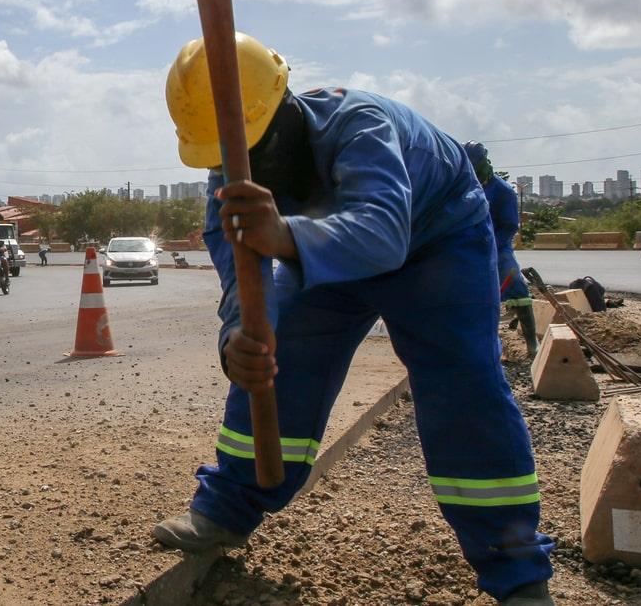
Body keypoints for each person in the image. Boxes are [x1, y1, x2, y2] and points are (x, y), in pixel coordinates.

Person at [152, 34, 555, 606]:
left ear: (285, 108)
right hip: (322, 247)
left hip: (435, 241)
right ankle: (224, 512)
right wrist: (241, 328)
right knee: (279, 354)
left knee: (463, 384)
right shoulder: (230, 160)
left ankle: (518, 573)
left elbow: (382, 232)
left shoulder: (358, 124)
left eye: (252, 148)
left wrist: (285, 235)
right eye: (220, 158)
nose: (242, 166)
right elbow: (232, 250)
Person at [464, 142, 539, 358]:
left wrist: (491, 247)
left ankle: (532, 342)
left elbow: (509, 226)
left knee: (514, 282)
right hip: (468, 247)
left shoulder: (503, 191)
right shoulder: (465, 187)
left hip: (498, 248)